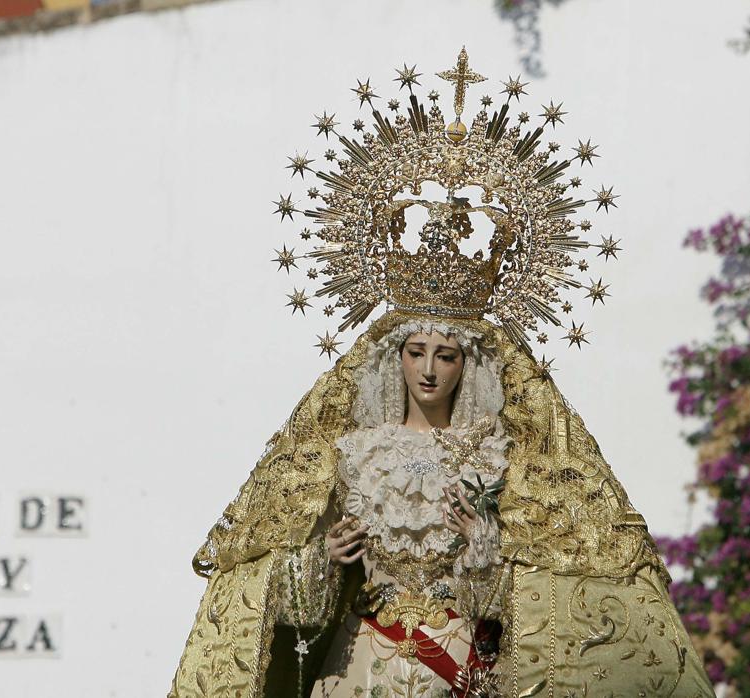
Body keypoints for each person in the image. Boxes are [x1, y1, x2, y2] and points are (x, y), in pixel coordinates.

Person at [168, 48, 715, 697]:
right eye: (415, 352)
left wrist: (483, 548)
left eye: (446, 355)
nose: (429, 370)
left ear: (469, 365)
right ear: (393, 358)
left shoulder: (495, 455)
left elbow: (538, 590)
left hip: (458, 668)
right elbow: (288, 589)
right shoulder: (353, 451)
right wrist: (321, 560)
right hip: (361, 664)